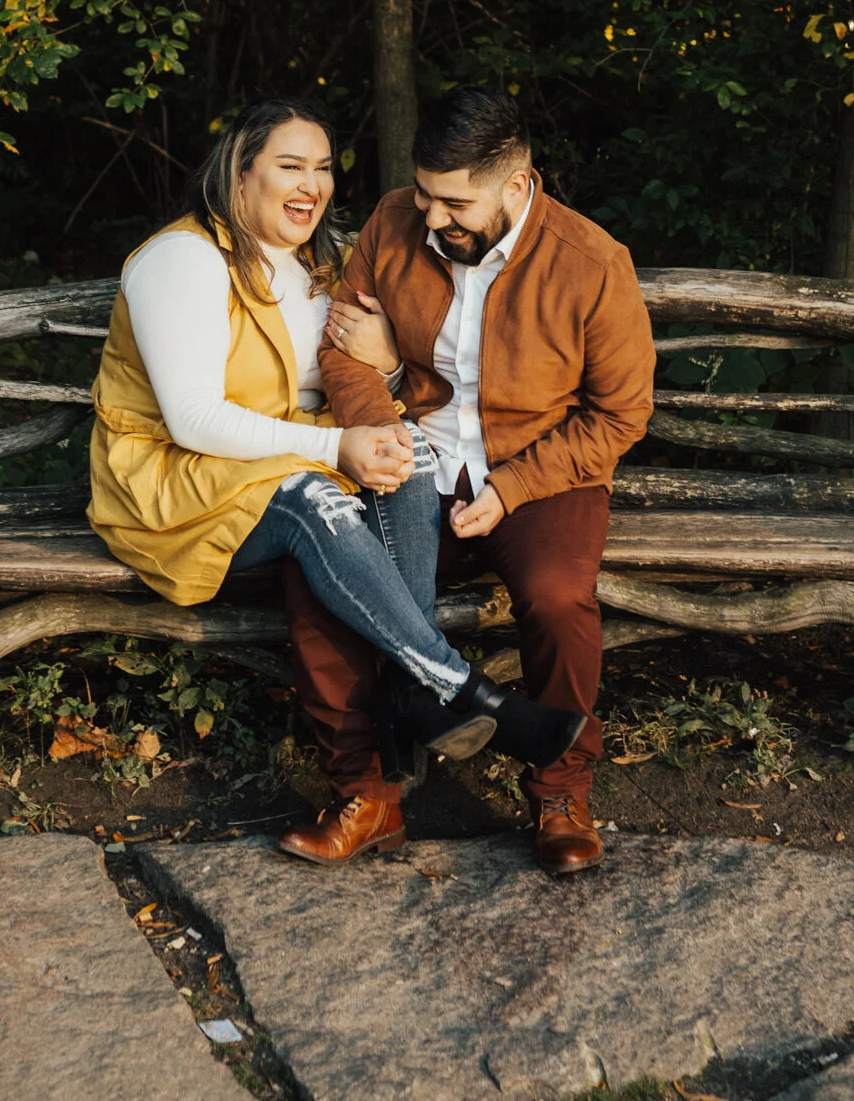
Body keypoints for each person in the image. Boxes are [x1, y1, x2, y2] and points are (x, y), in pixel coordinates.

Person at [88, 95, 585, 866]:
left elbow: (358, 384)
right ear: (239, 172)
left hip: (274, 459)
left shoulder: (318, 264)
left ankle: (407, 714)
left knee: (407, 450)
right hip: (176, 479)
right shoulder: (182, 260)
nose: (311, 185)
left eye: (322, 169)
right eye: (289, 166)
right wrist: (336, 450)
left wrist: (383, 379)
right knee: (318, 499)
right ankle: (451, 684)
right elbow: (190, 420)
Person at [283, 86, 656, 874]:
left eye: (453, 202)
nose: (430, 217)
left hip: (541, 474)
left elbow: (618, 416)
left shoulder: (592, 264)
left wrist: (512, 490)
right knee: (323, 579)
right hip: (410, 461)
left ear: (514, 186)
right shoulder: (390, 225)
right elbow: (343, 349)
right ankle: (369, 795)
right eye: (423, 194)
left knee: (558, 595)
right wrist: (377, 426)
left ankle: (558, 791)